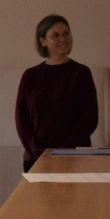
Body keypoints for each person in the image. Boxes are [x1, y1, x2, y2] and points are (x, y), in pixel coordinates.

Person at [15, 14, 98, 172]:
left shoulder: (81, 73)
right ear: (43, 41)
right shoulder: (30, 76)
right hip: (36, 159)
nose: (63, 39)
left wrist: (61, 152)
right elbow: (22, 120)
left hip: (74, 158)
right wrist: (38, 151)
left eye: (67, 33)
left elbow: (89, 119)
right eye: (56, 35)